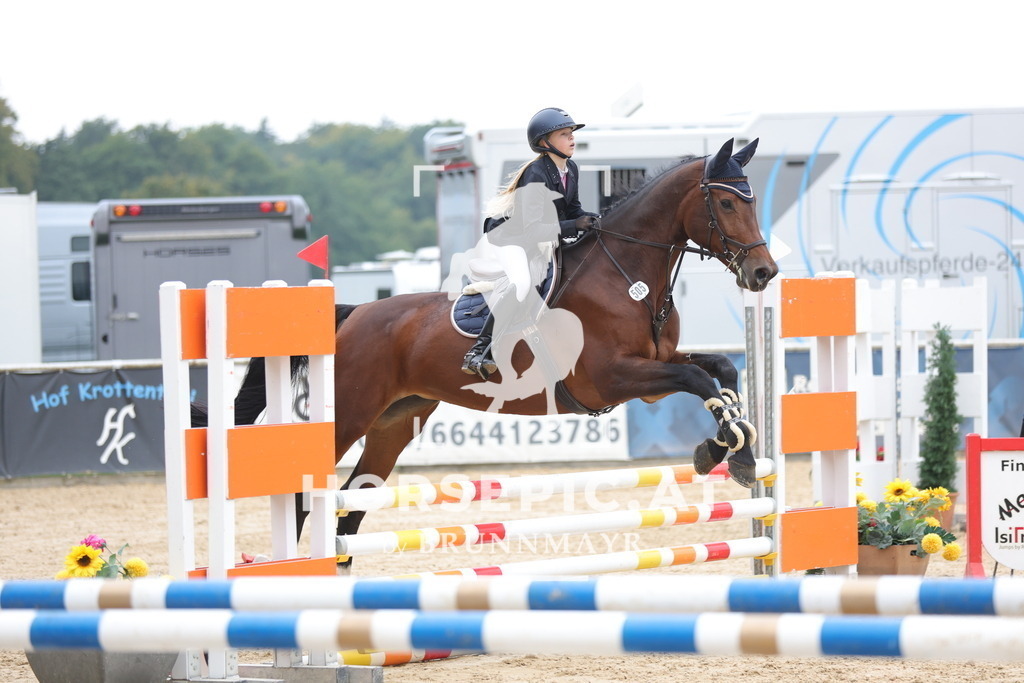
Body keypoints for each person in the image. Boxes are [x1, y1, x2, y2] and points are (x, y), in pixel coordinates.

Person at [461, 107, 600, 378]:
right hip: (510, 239)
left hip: (537, 239)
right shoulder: (536, 173)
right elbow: (533, 229)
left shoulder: (570, 168)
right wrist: (574, 225)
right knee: (522, 283)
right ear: (545, 143)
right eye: (564, 134)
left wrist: (596, 220)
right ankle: (480, 349)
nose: (571, 138)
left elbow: (573, 210)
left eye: (571, 133)